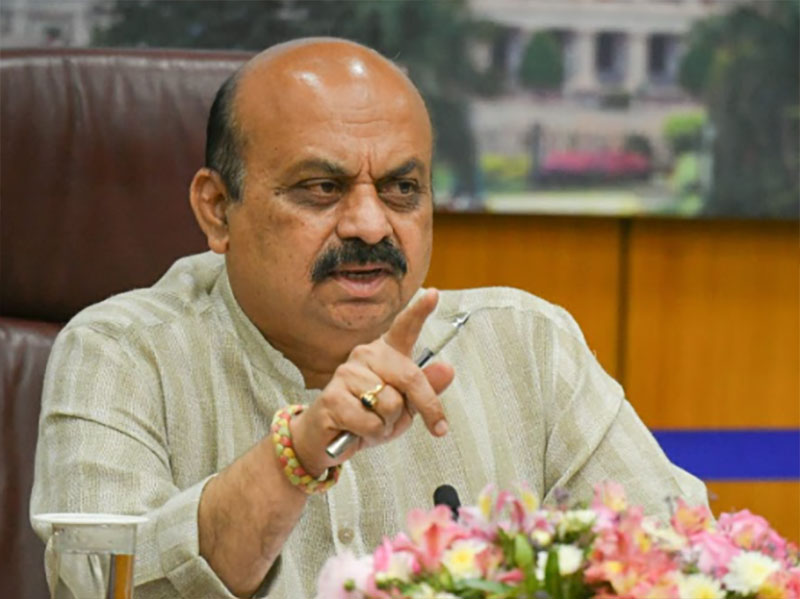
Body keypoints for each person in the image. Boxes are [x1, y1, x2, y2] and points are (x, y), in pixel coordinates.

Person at [30, 38, 707, 598]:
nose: (369, 224)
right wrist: (298, 453)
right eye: (321, 188)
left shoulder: (527, 345)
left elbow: (683, 559)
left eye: (401, 188)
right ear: (217, 209)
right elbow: (101, 586)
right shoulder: (119, 353)